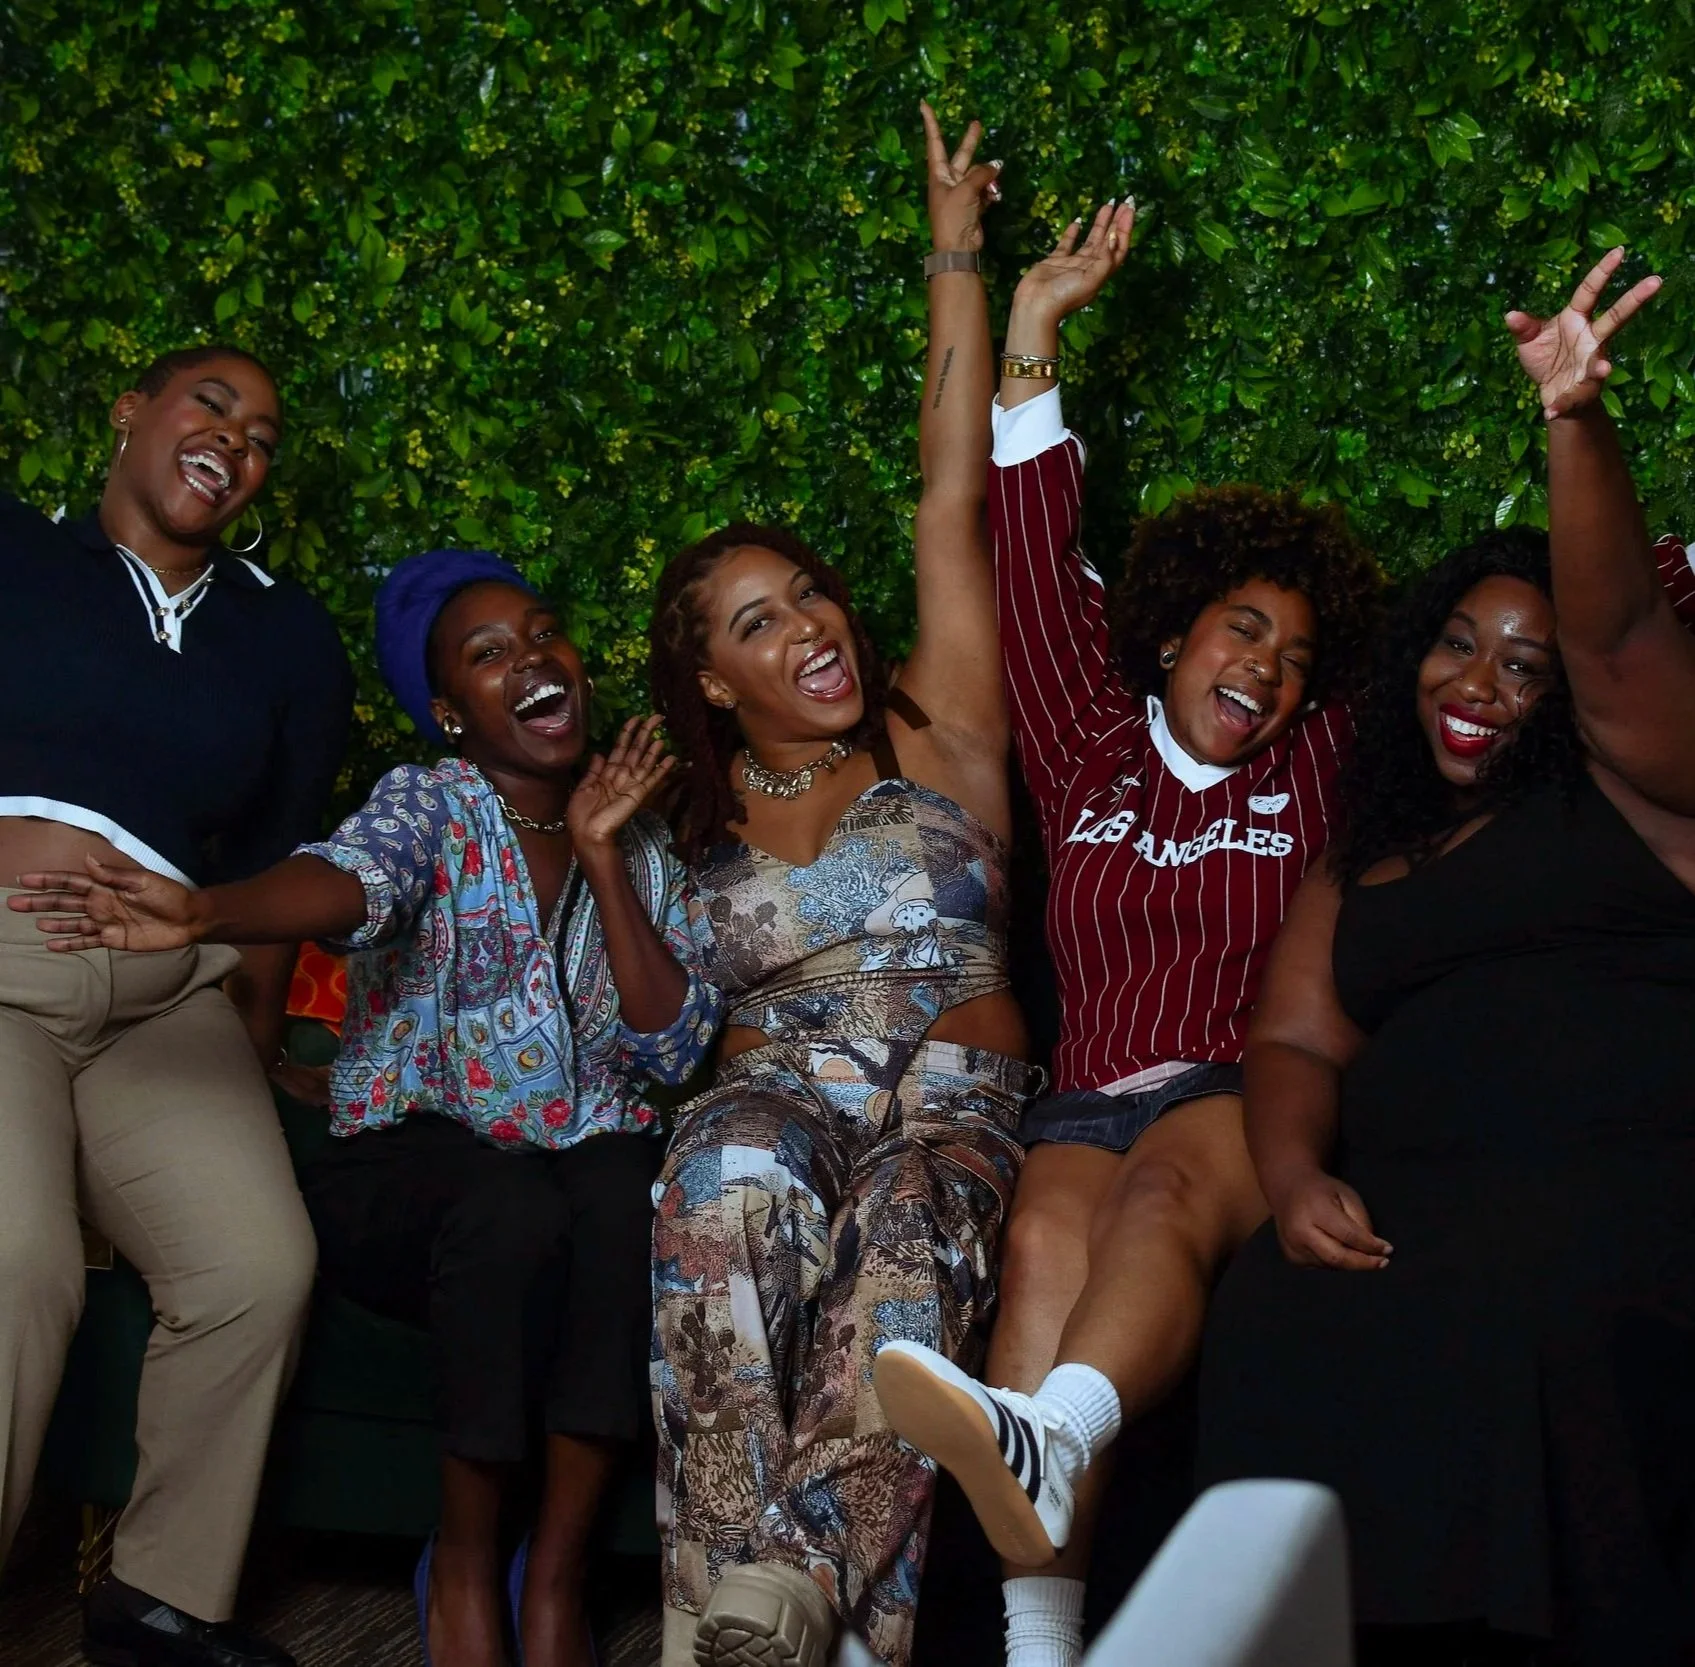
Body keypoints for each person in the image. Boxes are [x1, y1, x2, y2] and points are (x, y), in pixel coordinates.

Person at [17, 549, 721, 1667]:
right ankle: (466, 1569)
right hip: (411, 1174)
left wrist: (602, 848)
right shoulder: (429, 804)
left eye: (544, 632)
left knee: (618, 1188)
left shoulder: (634, 827)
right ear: (450, 712)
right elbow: (349, 879)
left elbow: (672, 1045)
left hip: (579, 1160)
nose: (532, 657)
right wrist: (209, 910)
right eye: (488, 653)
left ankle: (556, 1577)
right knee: (510, 1207)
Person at [869, 199, 1382, 1664]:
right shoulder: (1087, 735)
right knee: (1036, 1246)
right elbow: (1025, 550)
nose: (1262, 669)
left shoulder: (1317, 761)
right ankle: (1043, 1649)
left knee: (1154, 1203)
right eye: (1239, 629)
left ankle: (1051, 1435)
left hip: (1227, 1092)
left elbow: (1515, 635)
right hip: (1079, 1096)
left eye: (1288, 657)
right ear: (1170, 631)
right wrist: (1029, 327)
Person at [1196, 251, 1695, 1666]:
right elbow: (1292, 1040)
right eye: (1455, 645)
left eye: (1518, 666)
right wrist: (1291, 1177)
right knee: (1271, 1305)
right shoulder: (1365, 853)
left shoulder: (1636, 786)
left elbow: (1611, 630)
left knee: (1534, 1310)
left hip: (1620, 1190)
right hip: (1407, 1206)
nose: (1476, 682)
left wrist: (1572, 423)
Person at [643, 106, 1034, 1667]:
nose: (802, 621)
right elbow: (653, 1015)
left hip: (950, 1088)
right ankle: (725, 1615)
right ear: (712, 679)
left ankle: (766, 1606)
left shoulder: (938, 718)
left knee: (906, 1231)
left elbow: (952, 485)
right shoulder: (685, 808)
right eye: (754, 619)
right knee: (718, 1180)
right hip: (771, 1088)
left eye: (804, 587)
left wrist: (954, 247)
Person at [0, 345, 350, 1667]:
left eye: (260, 433)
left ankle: (155, 1601)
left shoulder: (287, 634)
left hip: (167, 994)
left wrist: (252, 1052)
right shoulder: (14, 554)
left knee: (256, 1262)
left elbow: (264, 868)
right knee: (13, 1265)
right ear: (130, 407)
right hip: (5, 960)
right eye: (210, 402)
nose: (234, 439)